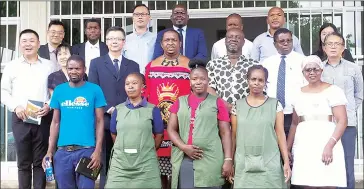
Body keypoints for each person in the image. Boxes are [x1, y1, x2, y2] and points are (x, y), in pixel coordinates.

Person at [1, 29, 56, 189]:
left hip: (43, 118)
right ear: (19, 45)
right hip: (21, 118)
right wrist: (15, 106)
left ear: (39, 44)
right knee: (23, 162)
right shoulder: (12, 66)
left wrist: (49, 105)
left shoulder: (49, 66)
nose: (28, 44)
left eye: (32, 40)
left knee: (40, 162)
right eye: (24, 41)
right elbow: (3, 91)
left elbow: (55, 91)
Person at [167, 59, 233, 189]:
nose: (198, 82)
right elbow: (171, 129)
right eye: (194, 79)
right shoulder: (180, 101)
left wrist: (228, 159)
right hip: (185, 159)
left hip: (211, 159)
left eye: (202, 79)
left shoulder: (217, 102)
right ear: (190, 81)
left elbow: (225, 132)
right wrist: (184, 147)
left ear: (208, 81)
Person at [42, 55, 106, 189]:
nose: (73, 71)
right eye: (70, 68)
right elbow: (55, 122)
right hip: (63, 153)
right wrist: (49, 151)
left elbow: (100, 121)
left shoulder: (95, 90)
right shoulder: (59, 90)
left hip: (87, 152)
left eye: (77, 68)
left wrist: (98, 151)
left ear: (84, 70)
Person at [88, 26, 140, 189]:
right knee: (105, 161)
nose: (115, 41)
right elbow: (93, 90)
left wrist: (123, 108)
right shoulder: (96, 63)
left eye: (118, 38)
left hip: (128, 118)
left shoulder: (133, 65)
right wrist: (109, 108)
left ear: (124, 42)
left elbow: (136, 90)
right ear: (107, 42)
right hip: (105, 118)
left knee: (127, 158)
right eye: (111, 38)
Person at [287, 55, 348, 188]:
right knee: (308, 183)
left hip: (327, 141)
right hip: (304, 143)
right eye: (308, 70)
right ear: (303, 72)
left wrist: (329, 145)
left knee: (328, 182)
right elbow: (294, 123)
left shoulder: (333, 91)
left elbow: (342, 121)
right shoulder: (297, 93)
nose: (312, 73)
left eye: (315, 69)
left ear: (321, 70)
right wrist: (287, 148)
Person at [230, 65, 291, 188]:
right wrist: (230, 161)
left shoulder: (275, 104)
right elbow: (233, 136)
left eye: (260, 80)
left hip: (270, 162)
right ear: (248, 80)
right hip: (243, 163)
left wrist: (286, 162)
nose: (256, 83)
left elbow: (280, 134)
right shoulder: (238, 106)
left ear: (265, 83)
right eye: (253, 79)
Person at [145, 29, 191, 189]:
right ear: (161, 43)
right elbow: (146, 95)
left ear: (180, 43)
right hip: (159, 128)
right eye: (167, 40)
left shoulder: (189, 65)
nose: (170, 43)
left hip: (183, 126)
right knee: (161, 173)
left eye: (174, 40)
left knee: (182, 171)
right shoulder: (151, 67)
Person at [105, 73, 163, 188]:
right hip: (120, 166)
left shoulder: (153, 109)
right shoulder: (118, 109)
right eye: (127, 84)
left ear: (143, 87)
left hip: (146, 165)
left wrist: (146, 150)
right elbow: (113, 134)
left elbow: (159, 135)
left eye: (134, 83)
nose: (130, 86)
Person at [321, 32, 363, 189]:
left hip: (347, 125)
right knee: (327, 164)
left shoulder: (353, 68)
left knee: (347, 164)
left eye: (337, 44)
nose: (333, 47)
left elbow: (359, 95)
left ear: (343, 48)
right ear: (324, 48)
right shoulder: (318, 69)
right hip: (324, 124)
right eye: (329, 44)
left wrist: (347, 112)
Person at [262, 28, 306, 137]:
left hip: (296, 114)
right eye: (282, 41)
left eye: (289, 40)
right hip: (272, 114)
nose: (286, 43)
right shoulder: (267, 63)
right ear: (275, 44)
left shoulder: (303, 61)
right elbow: (263, 88)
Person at [207, 28, 259, 111]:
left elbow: (258, 89)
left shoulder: (254, 65)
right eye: (230, 37)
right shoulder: (213, 64)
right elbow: (209, 88)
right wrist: (224, 105)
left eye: (237, 37)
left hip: (247, 112)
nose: (233, 39)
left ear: (244, 42)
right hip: (220, 112)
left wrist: (244, 105)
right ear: (225, 41)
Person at [124, 4, 156, 74]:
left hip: (150, 78)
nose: (140, 17)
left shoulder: (156, 38)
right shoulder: (125, 39)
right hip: (130, 80)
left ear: (149, 17)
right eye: (137, 14)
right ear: (133, 18)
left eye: (143, 14)